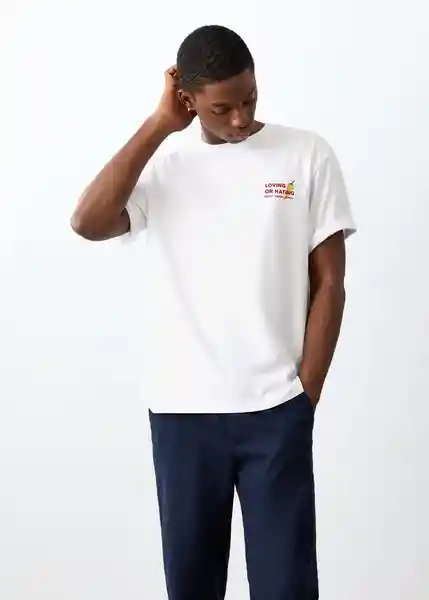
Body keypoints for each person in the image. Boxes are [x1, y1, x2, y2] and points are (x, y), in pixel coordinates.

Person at [71, 24, 356, 600]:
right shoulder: (163, 165)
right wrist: (158, 125)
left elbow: (330, 283)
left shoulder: (306, 154)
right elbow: (88, 222)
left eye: (249, 98)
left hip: (275, 409)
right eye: (222, 107)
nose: (240, 118)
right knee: (192, 586)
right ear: (188, 99)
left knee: (286, 587)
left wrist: (306, 394)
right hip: (182, 415)